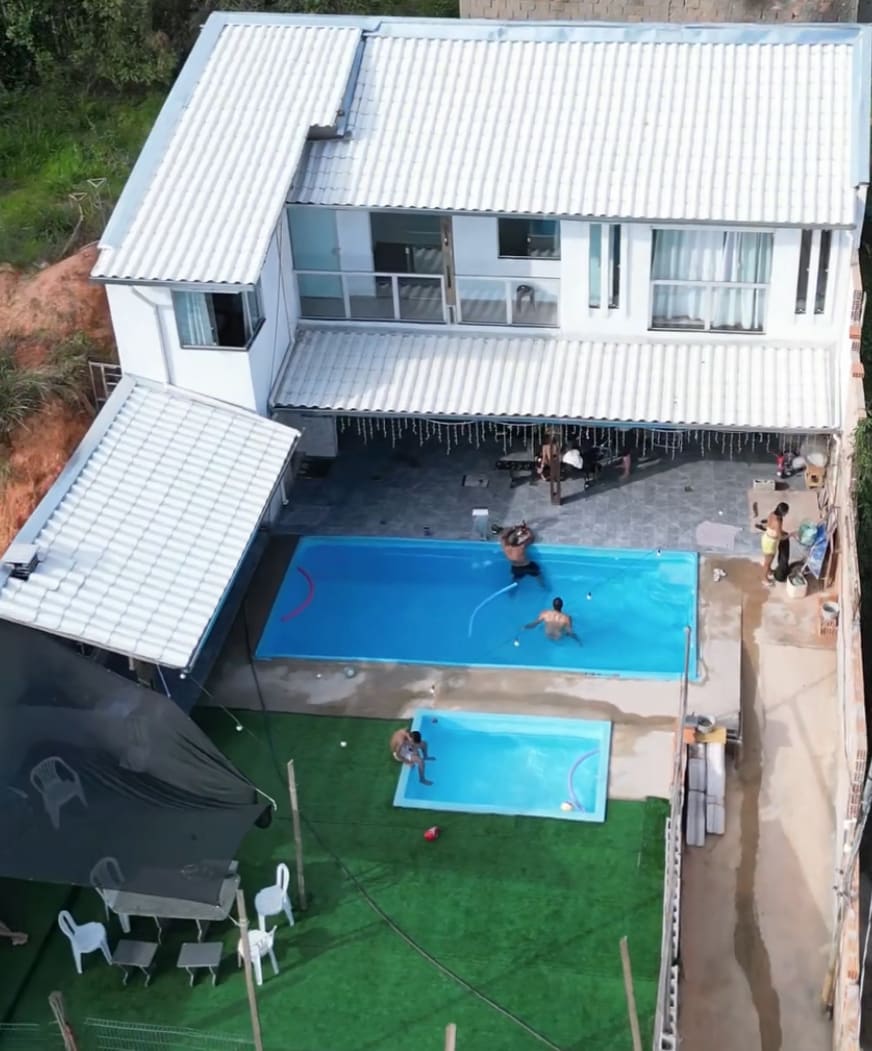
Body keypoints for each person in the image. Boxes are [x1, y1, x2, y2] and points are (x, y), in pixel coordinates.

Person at [760, 501, 790, 586]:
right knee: (767, 563)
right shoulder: (778, 521)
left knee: (768, 560)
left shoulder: (772, 514)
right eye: (786, 512)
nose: (787, 514)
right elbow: (780, 537)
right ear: (783, 512)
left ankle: (769, 571)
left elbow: (774, 529)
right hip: (770, 543)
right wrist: (791, 535)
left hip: (766, 538)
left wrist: (784, 533)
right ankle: (764, 578)